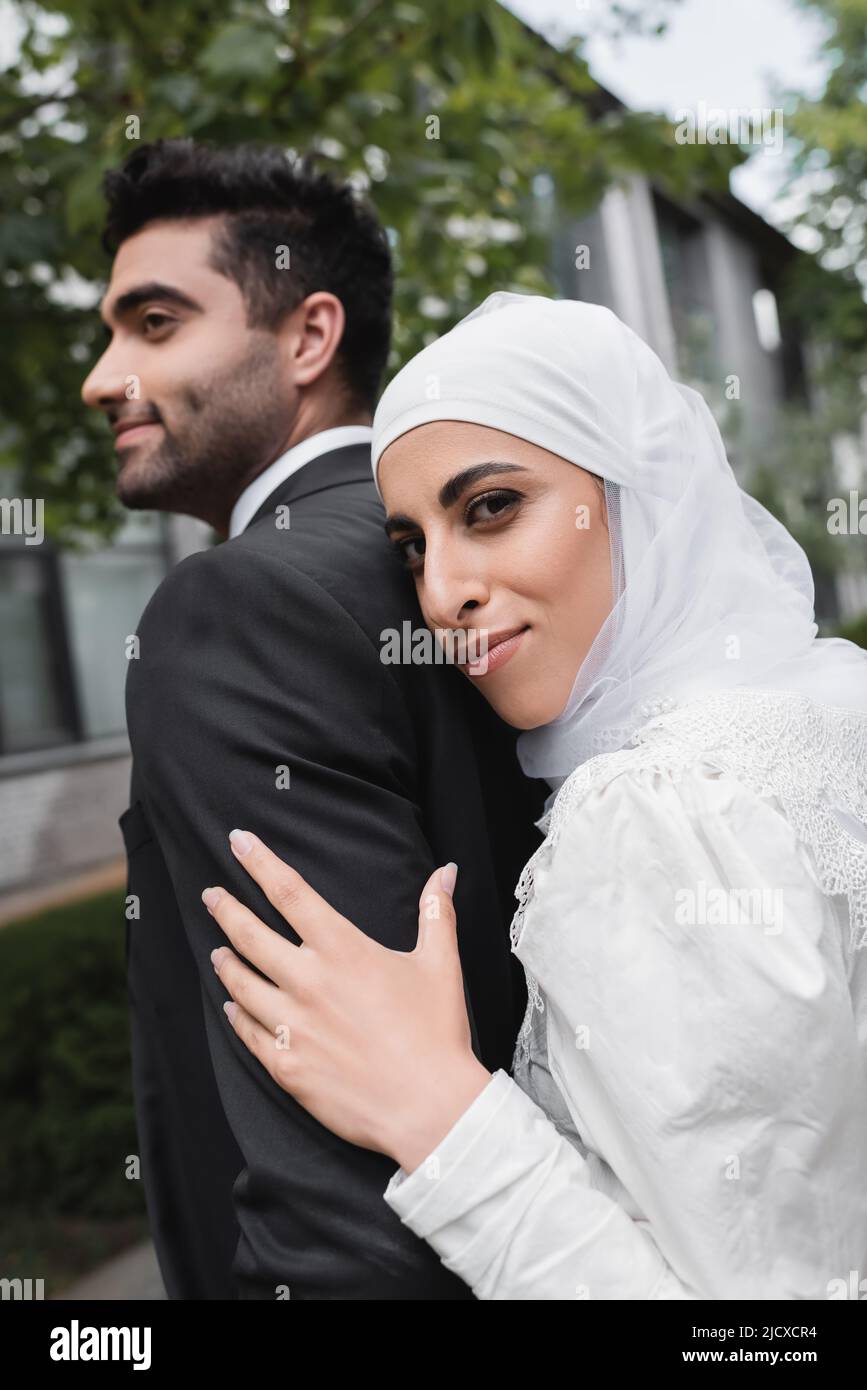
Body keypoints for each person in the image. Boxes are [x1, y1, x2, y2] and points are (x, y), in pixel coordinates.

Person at [202, 291, 867, 1299]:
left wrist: (438, 1112)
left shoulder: (652, 812)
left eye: (491, 507)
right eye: (412, 546)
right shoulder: (821, 697)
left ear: (638, 490)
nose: (440, 593)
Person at [81, 144, 545, 1300]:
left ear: (308, 336)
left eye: (152, 323)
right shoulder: (466, 566)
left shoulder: (239, 603)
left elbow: (343, 1184)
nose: (101, 376)